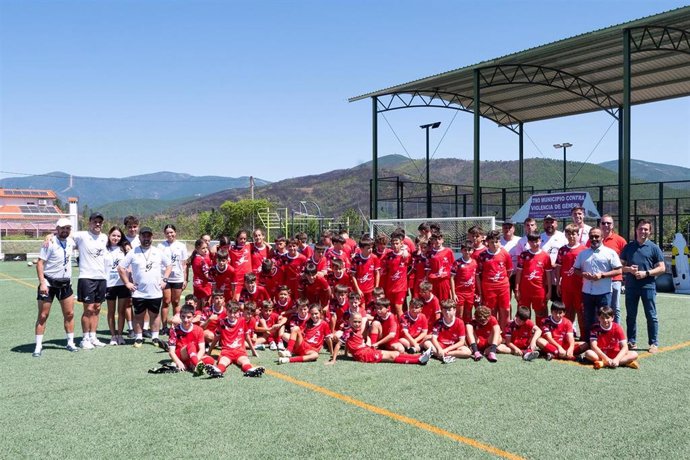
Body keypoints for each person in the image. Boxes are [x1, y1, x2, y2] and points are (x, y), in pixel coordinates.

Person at [118, 226, 172, 348]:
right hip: (139, 292)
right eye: (144, 236)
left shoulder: (158, 251)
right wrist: (127, 283)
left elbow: (169, 265)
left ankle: (155, 337)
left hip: (155, 292)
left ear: (152, 237)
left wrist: (165, 279)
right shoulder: (133, 252)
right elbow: (121, 268)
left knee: (155, 315)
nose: (146, 238)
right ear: (140, 237)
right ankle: (138, 337)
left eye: (148, 236)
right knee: (139, 316)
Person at [33, 218, 79, 357]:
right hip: (49, 283)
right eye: (62, 228)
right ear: (57, 229)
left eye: (67, 228)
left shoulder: (70, 241)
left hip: (65, 284)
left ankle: (70, 342)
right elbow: (40, 263)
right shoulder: (50, 242)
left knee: (69, 314)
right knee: (43, 315)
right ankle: (38, 346)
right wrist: (42, 282)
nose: (65, 231)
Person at [621, 219, 665, 354]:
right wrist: (629, 270)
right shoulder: (628, 247)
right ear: (636, 230)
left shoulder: (654, 248)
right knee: (631, 316)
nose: (643, 231)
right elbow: (620, 267)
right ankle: (631, 342)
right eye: (641, 228)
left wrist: (646, 273)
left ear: (650, 232)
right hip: (631, 287)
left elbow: (662, 268)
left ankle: (653, 343)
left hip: (648, 287)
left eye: (646, 229)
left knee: (651, 316)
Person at [326, 313, 431, 366]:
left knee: (394, 353)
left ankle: (420, 357)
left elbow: (348, 343)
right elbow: (339, 344)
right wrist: (334, 360)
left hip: (366, 350)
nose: (357, 324)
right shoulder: (348, 331)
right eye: (355, 322)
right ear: (349, 321)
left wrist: (345, 354)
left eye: (359, 322)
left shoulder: (353, 330)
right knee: (391, 356)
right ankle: (418, 360)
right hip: (364, 355)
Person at [573, 227, 622, 341]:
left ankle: (604, 341)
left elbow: (619, 270)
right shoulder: (583, 253)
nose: (594, 239)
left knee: (604, 318)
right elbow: (576, 270)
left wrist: (602, 275)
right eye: (592, 236)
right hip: (587, 292)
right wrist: (584, 274)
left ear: (602, 237)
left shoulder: (610, 252)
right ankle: (588, 342)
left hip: (603, 292)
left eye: (597, 236)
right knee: (588, 318)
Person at [73, 212, 109, 349]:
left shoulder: (104, 237)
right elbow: (64, 235)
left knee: (97, 308)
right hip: (86, 277)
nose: (97, 224)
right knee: (88, 308)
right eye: (95, 221)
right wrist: (49, 236)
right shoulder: (81, 235)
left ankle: (93, 336)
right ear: (90, 222)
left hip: (101, 278)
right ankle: (85, 338)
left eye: (100, 222)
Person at [204, 302, 265, 378]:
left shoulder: (242, 321)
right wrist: (209, 351)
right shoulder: (222, 322)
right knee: (223, 361)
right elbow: (216, 338)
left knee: (245, 360)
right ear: (227, 312)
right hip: (226, 351)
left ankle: (250, 370)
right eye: (230, 312)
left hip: (240, 351)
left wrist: (253, 350)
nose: (232, 315)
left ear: (239, 313)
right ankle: (218, 371)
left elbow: (247, 336)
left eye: (235, 313)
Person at [475, 230, 513, 330]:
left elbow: (509, 271)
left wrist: (501, 280)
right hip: (488, 288)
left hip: (503, 287)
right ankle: (493, 331)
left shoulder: (505, 254)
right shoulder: (482, 256)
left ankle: (504, 333)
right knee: (491, 310)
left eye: (497, 241)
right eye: (492, 242)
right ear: (487, 242)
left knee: (505, 310)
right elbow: (478, 275)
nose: (495, 244)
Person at [515, 232, 553, 325]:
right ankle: (525, 334)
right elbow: (519, 273)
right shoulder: (523, 255)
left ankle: (541, 334)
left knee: (540, 313)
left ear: (540, 241)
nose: (534, 244)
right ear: (528, 242)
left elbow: (548, 275)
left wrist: (549, 291)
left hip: (539, 290)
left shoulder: (546, 256)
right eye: (532, 242)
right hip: (525, 290)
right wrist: (517, 289)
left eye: (537, 241)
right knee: (524, 314)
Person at [554, 224, 586, 337]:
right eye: (569, 233)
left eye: (574, 233)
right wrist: (558, 283)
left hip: (580, 286)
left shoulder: (583, 249)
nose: (571, 236)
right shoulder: (562, 250)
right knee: (567, 312)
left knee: (581, 312)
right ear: (565, 235)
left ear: (578, 235)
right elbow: (558, 267)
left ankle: (583, 336)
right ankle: (567, 335)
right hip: (566, 286)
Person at [167, 305, 215, 374]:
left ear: (193, 317)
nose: (186, 320)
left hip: (193, 356)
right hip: (181, 355)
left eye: (188, 317)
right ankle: (196, 366)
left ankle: (191, 365)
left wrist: (195, 360)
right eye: (183, 317)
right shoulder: (174, 329)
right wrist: (179, 362)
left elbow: (202, 349)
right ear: (180, 316)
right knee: (191, 346)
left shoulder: (199, 329)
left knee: (210, 360)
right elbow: (171, 352)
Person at [158, 224, 188, 335]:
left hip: (177, 278)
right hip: (165, 277)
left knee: (176, 302)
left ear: (175, 232)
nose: (170, 234)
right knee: (166, 301)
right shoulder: (161, 246)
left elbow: (184, 264)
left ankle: (176, 325)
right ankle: (164, 326)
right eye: (167, 233)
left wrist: (185, 279)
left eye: (172, 232)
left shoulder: (181, 246)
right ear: (164, 234)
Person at [104, 226, 131, 345]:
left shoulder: (125, 248)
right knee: (111, 311)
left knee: (121, 311)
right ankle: (113, 336)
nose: (116, 238)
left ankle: (120, 335)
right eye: (114, 235)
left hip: (122, 284)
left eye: (118, 236)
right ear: (109, 235)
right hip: (109, 284)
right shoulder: (104, 248)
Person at [599, 214, 628, 324]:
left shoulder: (620, 240)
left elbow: (626, 259)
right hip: (599, 280)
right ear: (600, 225)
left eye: (608, 223)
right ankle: (602, 331)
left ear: (613, 225)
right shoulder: (595, 239)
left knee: (615, 308)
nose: (606, 225)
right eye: (603, 223)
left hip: (615, 279)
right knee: (602, 308)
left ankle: (616, 333)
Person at [380, 232, 410, 317]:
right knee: (390, 309)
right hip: (390, 288)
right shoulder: (388, 256)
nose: (395, 245)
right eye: (393, 244)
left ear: (401, 244)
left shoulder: (405, 256)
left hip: (400, 288)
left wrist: (405, 250)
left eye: (397, 243)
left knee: (398, 308)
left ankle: (404, 327)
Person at [540, 215, 568, 301]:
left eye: (552, 222)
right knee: (542, 305)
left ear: (556, 223)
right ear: (543, 224)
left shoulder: (563, 237)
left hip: (557, 278)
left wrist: (557, 264)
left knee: (559, 304)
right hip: (543, 278)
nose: (549, 225)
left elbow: (567, 255)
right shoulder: (539, 237)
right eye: (547, 222)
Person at [450, 241, 478, 323]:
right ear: (461, 251)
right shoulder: (457, 263)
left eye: (469, 250)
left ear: (472, 250)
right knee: (459, 314)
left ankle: (467, 332)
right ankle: (459, 332)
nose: (467, 252)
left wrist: (478, 291)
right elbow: (451, 278)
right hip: (460, 293)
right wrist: (453, 293)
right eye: (465, 250)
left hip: (471, 292)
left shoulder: (475, 262)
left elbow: (477, 278)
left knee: (468, 313)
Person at [350, 235, 380, 305]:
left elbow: (377, 273)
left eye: (371, 248)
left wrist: (376, 287)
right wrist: (358, 290)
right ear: (361, 248)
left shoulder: (374, 257)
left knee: (370, 309)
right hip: (360, 290)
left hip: (371, 290)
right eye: (368, 248)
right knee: (362, 308)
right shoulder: (356, 259)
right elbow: (353, 275)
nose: (371, 250)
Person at [427, 232, 454, 302]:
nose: (437, 241)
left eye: (439, 239)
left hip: (444, 281)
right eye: (435, 239)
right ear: (432, 241)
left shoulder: (448, 251)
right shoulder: (430, 253)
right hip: (433, 281)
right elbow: (428, 268)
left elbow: (453, 267)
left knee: (444, 302)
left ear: (442, 240)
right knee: (434, 301)